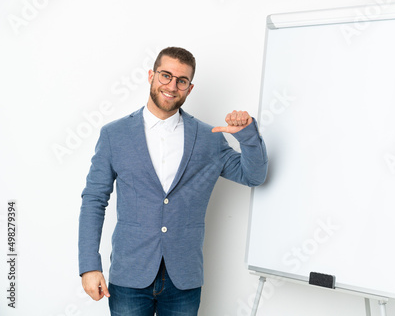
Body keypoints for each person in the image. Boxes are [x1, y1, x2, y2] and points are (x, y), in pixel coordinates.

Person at [78, 46, 268, 315]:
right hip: (129, 275)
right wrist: (89, 266)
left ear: (190, 88)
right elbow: (94, 201)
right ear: (151, 76)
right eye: (165, 75)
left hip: (184, 279)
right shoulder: (114, 135)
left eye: (182, 80)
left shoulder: (209, 138)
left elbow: (254, 176)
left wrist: (247, 136)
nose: (172, 85)